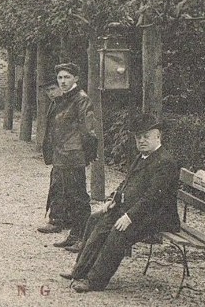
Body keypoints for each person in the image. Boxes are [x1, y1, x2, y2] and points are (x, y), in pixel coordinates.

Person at [61, 112, 181, 293]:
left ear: (158, 136)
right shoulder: (142, 156)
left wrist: (129, 216)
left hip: (157, 216)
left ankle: (95, 281)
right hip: (133, 210)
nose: (141, 140)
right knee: (96, 220)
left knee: (118, 233)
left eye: (146, 136)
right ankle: (80, 270)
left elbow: (153, 198)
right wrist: (113, 200)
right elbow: (127, 184)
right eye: (138, 137)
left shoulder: (165, 162)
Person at [39, 62, 97, 247]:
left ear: (76, 79)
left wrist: (86, 155)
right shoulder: (64, 98)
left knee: (78, 197)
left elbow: (88, 131)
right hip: (62, 154)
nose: (62, 81)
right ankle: (75, 235)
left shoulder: (81, 99)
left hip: (73, 155)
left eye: (67, 77)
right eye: (60, 78)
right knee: (69, 196)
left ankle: (84, 238)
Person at [38, 81, 68, 232]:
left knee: (59, 184)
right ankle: (63, 218)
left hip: (64, 152)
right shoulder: (55, 103)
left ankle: (56, 220)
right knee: (60, 183)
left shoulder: (65, 104)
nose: (50, 93)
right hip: (58, 151)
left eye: (52, 89)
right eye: (47, 90)